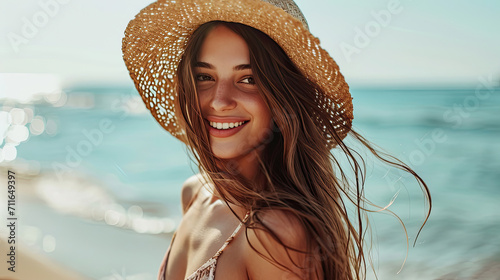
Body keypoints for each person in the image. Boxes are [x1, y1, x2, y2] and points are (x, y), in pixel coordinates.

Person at [122, 0, 432, 279]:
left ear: (282, 98)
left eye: (249, 79)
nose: (219, 101)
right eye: (205, 77)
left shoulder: (275, 234)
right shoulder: (194, 192)